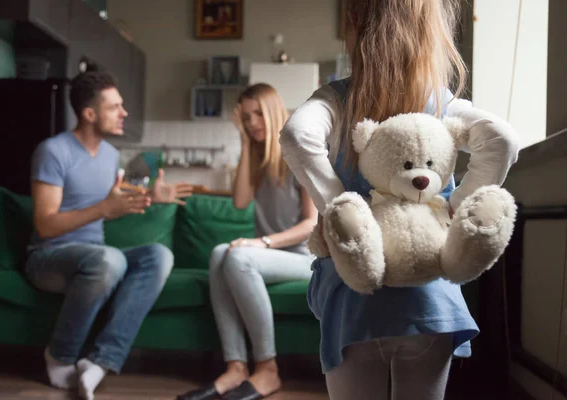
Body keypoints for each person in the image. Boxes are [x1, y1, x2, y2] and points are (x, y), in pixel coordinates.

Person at [279, 1, 520, 399]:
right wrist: (456, 206)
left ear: (353, 22)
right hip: (430, 295)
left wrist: (339, 206)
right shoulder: (442, 105)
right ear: (432, 32)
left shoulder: (336, 100)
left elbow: (295, 138)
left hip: (355, 297)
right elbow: (503, 140)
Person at [25, 70, 191, 400]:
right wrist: (103, 207)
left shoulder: (112, 156)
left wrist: (154, 197)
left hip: (95, 257)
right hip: (49, 258)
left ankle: (103, 360)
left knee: (159, 255)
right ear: (89, 114)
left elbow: (116, 203)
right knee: (109, 259)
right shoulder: (53, 151)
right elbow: (45, 224)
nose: (124, 113)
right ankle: (61, 354)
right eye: (115, 107)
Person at [176, 83, 318, 400]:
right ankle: (236, 367)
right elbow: (240, 202)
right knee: (217, 254)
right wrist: (243, 142)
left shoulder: (299, 153)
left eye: (258, 114)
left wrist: (263, 243)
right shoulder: (258, 157)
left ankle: (268, 369)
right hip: (273, 256)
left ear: (273, 112)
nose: (253, 123)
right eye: (247, 117)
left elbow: (312, 224)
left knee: (238, 258)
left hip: (307, 257)